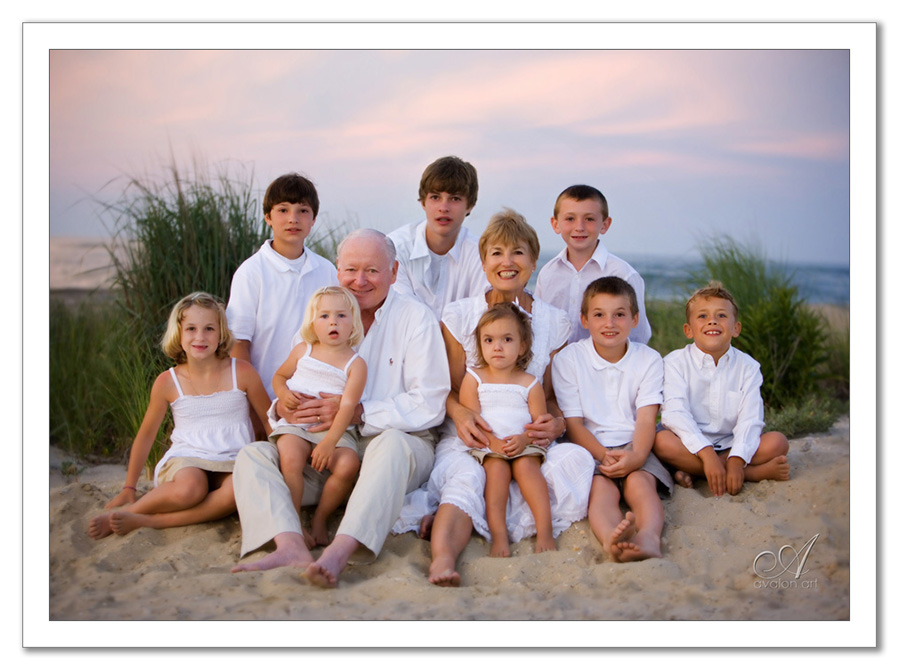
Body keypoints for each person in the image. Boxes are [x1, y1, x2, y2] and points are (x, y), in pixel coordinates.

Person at [230, 229, 451, 588]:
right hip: (325, 450)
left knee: (390, 444)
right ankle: (291, 544)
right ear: (337, 270)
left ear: (394, 273)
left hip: (397, 450)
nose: (359, 281)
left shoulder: (416, 318)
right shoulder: (319, 317)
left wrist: (358, 412)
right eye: (350, 270)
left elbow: (430, 402)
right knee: (253, 456)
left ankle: (339, 550)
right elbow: (293, 379)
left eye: (373, 271)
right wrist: (286, 410)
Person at [393, 208, 594, 586]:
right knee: (467, 478)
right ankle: (443, 561)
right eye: (497, 253)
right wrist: (463, 416)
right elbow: (447, 389)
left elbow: (550, 396)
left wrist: (556, 422)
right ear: (483, 262)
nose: (507, 262)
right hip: (473, 437)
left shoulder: (553, 322)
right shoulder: (460, 316)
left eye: (518, 252)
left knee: (572, 460)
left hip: (527, 440)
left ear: (533, 262)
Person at [88, 292, 271, 539]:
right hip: (189, 457)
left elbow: (270, 421)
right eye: (191, 329)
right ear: (179, 333)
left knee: (235, 493)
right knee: (191, 489)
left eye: (209, 329)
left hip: (233, 457)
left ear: (221, 334)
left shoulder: (243, 372)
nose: (200, 337)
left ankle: (145, 521)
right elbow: (146, 436)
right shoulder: (167, 382)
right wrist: (129, 487)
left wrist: (279, 463)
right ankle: (133, 510)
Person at [553, 277, 672, 562]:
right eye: (599, 315)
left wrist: (637, 456)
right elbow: (574, 424)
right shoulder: (569, 359)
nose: (610, 323)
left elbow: (646, 420)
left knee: (640, 485)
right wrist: (603, 455)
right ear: (584, 320)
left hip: (636, 443)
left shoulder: (649, 359)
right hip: (590, 448)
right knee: (600, 491)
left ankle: (649, 538)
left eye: (619, 314)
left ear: (634, 319)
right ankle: (611, 539)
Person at [653, 282, 790, 496]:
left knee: (777, 443)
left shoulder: (749, 368)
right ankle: (750, 473)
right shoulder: (674, 363)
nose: (712, 321)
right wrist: (706, 454)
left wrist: (736, 460)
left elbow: (750, 418)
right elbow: (674, 414)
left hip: (729, 445)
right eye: (702, 316)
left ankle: (702, 471)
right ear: (688, 330)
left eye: (721, 316)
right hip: (686, 443)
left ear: (736, 328)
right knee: (661, 442)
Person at [226, 173, 338, 410]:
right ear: (268, 217)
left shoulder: (326, 271)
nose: (293, 219)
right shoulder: (251, 273)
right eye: (283, 210)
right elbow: (239, 344)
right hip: (265, 399)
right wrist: (255, 408)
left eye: (303, 211)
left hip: (315, 401)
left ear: (314, 218)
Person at [268, 286, 367, 548]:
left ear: (353, 322)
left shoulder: (355, 364)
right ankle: (294, 520)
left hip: (334, 430)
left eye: (341, 316)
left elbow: (347, 407)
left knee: (347, 465)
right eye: (324, 316)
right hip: (296, 424)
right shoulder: (303, 350)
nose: (333, 321)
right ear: (313, 322)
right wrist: (283, 393)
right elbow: (279, 376)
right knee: (290, 457)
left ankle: (321, 518)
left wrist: (329, 442)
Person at [462, 303, 555, 556]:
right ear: (480, 344)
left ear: (522, 346)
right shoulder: (474, 377)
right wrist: (492, 443)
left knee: (527, 467)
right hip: (489, 445)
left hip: (524, 444)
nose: (498, 347)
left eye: (507, 339)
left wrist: (525, 439)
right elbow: (471, 418)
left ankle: (545, 530)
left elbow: (539, 423)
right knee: (497, 471)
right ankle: (499, 536)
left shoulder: (529, 382)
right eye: (489, 340)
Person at [535, 184, 651, 345]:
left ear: (604, 224)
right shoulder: (548, 273)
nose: (579, 227)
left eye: (589, 219)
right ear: (555, 224)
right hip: (555, 367)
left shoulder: (623, 274)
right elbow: (540, 326)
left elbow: (638, 337)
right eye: (570, 219)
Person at [388, 155, 489, 318]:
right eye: (435, 197)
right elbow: (402, 315)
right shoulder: (395, 248)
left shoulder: (481, 254)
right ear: (423, 202)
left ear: (470, 205)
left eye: (455, 199)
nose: (444, 207)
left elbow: (480, 317)